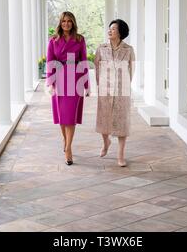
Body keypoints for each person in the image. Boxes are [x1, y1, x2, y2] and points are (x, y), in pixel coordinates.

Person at [46, 11, 90, 165]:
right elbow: (50, 61)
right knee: (62, 117)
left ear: (73, 23)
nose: (66, 24)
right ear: (60, 23)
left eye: (69, 21)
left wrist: (86, 85)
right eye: (64, 21)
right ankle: (65, 141)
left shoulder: (79, 39)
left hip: (75, 79)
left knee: (70, 117)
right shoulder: (53, 40)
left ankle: (69, 148)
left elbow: (83, 61)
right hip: (59, 80)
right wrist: (50, 83)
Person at [94, 19, 135, 167]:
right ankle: (106, 142)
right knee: (104, 120)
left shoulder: (128, 50)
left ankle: (120, 155)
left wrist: (125, 85)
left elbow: (132, 69)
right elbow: (97, 66)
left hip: (122, 91)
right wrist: (100, 84)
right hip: (105, 89)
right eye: (109, 28)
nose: (109, 31)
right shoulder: (101, 48)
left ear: (120, 32)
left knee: (122, 122)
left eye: (113, 29)